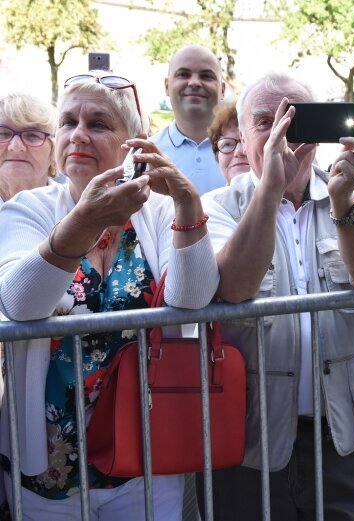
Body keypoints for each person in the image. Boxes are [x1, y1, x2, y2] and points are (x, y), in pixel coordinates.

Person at [0, 72, 218, 519]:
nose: (78, 134)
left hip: (146, 458)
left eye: (98, 124)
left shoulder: (155, 212)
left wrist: (188, 203)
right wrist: (85, 221)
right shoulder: (27, 210)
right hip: (48, 467)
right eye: (68, 122)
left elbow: (192, 300)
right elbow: (19, 304)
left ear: (132, 144)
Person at [200, 71, 354, 520]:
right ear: (242, 136)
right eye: (265, 120)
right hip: (253, 436)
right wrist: (269, 189)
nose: (281, 130)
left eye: (295, 116)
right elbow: (235, 286)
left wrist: (343, 204)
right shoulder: (219, 205)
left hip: (344, 434)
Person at [151, 45, 226, 195]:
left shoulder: (247, 153)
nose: (194, 83)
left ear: (222, 90)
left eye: (206, 76)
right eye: (183, 75)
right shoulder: (146, 155)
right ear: (167, 86)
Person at [0, 93, 57, 204]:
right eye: (2, 134)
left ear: (54, 150)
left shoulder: (81, 208)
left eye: (32, 135)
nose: (16, 147)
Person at [207, 99, 248, 184]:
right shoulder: (209, 197)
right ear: (217, 157)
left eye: (246, 141)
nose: (239, 151)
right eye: (227, 144)